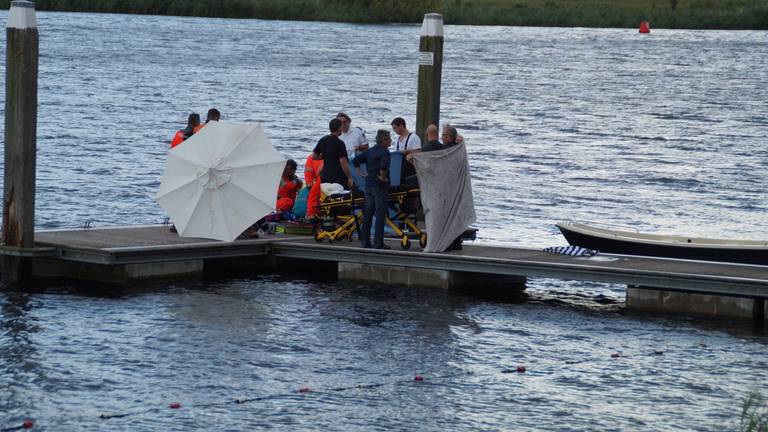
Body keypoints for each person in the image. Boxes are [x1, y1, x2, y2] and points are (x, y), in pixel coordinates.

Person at [353, 130, 392, 249]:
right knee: (380, 215)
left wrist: (361, 173)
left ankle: (365, 241)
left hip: (369, 185)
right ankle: (378, 242)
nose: (390, 141)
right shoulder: (385, 152)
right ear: (383, 140)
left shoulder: (370, 151)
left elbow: (355, 161)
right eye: (389, 139)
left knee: (368, 214)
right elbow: (384, 166)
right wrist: (383, 177)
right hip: (380, 187)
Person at [312, 118, 354, 190]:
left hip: (326, 175)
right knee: (341, 196)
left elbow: (314, 156)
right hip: (338, 177)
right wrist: (349, 177)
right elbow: (343, 162)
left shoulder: (323, 140)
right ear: (339, 128)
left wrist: (324, 156)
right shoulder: (339, 143)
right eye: (341, 126)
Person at [304, 152, 324, 219]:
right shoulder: (330, 154)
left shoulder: (311, 158)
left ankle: (311, 216)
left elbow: (309, 180)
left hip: (322, 177)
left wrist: (310, 185)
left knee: (312, 197)